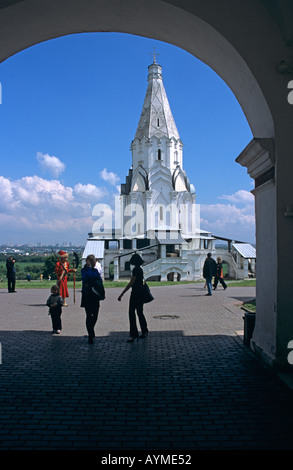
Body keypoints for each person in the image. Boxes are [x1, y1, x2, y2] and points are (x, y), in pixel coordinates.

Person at [118, 253, 148, 342]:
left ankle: (134, 334)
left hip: (135, 293)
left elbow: (131, 283)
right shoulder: (140, 269)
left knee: (131, 313)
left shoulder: (135, 270)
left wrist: (122, 293)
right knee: (140, 312)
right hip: (141, 293)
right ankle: (144, 330)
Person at [81, 254, 104, 344]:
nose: (95, 263)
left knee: (95, 315)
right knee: (89, 315)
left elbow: (98, 280)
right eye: (94, 261)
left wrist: (92, 280)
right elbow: (88, 278)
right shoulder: (84, 271)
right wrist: (89, 268)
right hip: (87, 295)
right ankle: (90, 334)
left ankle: (91, 329)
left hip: (95, 295)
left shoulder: (95, 270)